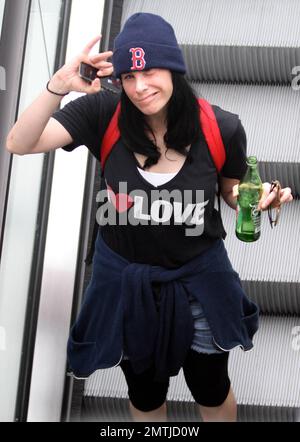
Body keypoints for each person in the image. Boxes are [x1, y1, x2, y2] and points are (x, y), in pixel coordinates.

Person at [6, 13, 293, 422]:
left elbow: (231, 190)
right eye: (128, 77)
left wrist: (256, 197)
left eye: (150, 70)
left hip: (197, 278)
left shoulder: (222, 127)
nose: (140, 88)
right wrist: (59, 85)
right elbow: (19, 142)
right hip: (127, 281)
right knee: (144, 389)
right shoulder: (103, 113)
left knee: (210, 385)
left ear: (174, 66)